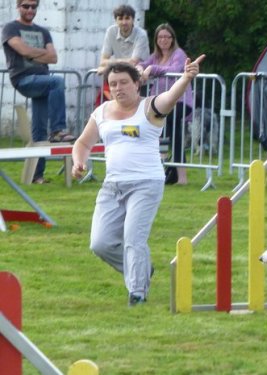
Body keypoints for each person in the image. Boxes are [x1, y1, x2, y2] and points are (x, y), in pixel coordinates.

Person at [72, 55, 206, 307]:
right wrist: (79, 161)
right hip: (112, 186)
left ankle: (137, 293)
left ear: (137, 84)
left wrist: (187, 77)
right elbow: (83, 143)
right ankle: (141, 270)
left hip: (146, 184)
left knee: (133, 238)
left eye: (124, 82)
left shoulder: (150, 107)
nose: (118, 88)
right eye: (113, 84)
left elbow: (171, 97)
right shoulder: (101, 112)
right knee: (99, 243)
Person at [1, 0, 75, 184]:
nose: (30, 9)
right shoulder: (10, 28)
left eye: (34, 6)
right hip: (24, 79)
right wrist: (40, 52)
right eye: (26, 6)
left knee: (39, 132)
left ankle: (36, 176)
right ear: (18, 7)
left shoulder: (43, 31)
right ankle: (58, 130)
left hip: (43, 82)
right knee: (57, 82)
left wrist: (31, 52)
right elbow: (22, 50)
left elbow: (54, 57)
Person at [137, 23, 192, 185]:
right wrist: (140, 69)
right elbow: (143, 65)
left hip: (180, 101)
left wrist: (151, 69)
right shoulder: (156, 56)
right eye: (160, 37)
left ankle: (180, 175)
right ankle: (166, 169)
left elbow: (175, 68)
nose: (164, 40)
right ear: (156, 39)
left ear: (173, 39)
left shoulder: (179, 54)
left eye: (167, 37)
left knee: (172, 129)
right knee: (161, 130)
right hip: (162, 103)